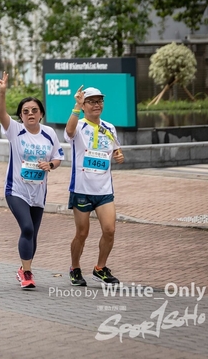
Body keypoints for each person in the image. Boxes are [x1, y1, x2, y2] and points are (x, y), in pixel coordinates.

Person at [0, 71, 64, 289]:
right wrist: (2, 93)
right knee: (26, 228)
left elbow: (58, 157)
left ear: (41, 114)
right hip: (16, 189)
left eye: (34, 110)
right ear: (21, 116)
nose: (30, 114)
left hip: (38, 191)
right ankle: (26, 273)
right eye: (25, 111)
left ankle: (23, 267)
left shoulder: (49, 133)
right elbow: (1, 114)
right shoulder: (15, 130)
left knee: (33, 234)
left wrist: (50, 165)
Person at [65, 86, 125, 286]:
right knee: (82, 233)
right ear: (84, 106)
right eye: (91, 101)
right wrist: (76, 105)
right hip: (82, 189)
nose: (97, 105)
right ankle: (75, 268)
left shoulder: (110, 127)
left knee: (109, 230)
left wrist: (119, 156)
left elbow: (116, 150)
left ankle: (100, 268)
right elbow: (69, 131)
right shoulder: (79, 125)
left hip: (104, 190)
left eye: (99, 101)